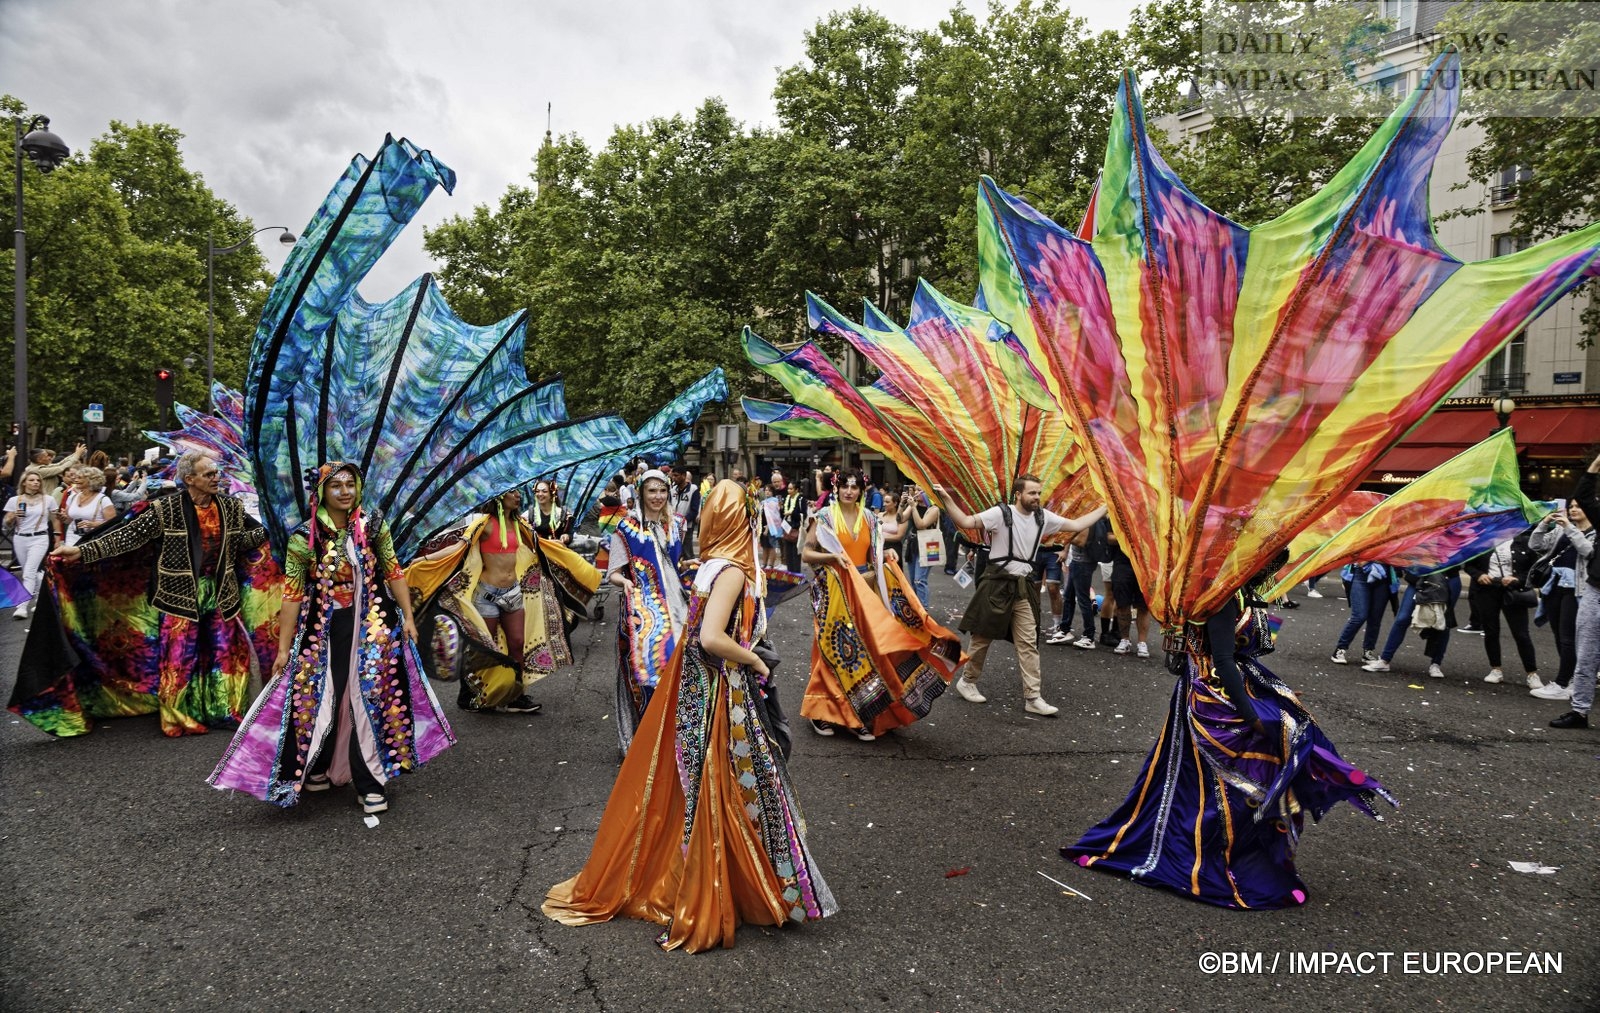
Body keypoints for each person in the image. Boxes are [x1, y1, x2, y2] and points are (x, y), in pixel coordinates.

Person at [543, 479, 836, 951]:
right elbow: (711, 637)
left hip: (697, 687)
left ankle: (731, 879)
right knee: (732, 784)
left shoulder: (709, 566)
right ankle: (737, 885)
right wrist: (755, 660)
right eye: (748, 517)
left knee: (707, 787)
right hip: (721, 688)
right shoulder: (731, 571)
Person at [1064, 549, 1395, 908]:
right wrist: (1252, 715)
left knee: (1271, 748)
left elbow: (1244, 656)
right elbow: (1221, 660)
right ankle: (1206, 851)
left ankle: (1231, 848)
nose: (1271, 573)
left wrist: (1269, 693)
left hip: (1236, 685)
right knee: (1217, 776)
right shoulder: (1221, 597)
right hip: (1211, 693)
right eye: (1269, 565)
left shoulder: (1244, 594)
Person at [209, 462, 455, 812]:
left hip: (376, 628)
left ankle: (370, 781)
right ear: (322, 492)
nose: (344, 491)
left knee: (370, 698)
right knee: (322, 695)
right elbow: (292, 595)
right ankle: (317, 766)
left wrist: (410, 618)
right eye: (336, 485)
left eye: (350, 484)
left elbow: (394, 571)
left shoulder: (373, 526)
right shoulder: (304, 537)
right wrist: (283, 649)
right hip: (324, 631)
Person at [16, 452, 277, 737]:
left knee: (225, 653)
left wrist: (275, 531)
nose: (216, 478)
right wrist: (81, 551)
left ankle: (224, 710)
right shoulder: (165, 508)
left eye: (216, 473)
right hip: (178, 595)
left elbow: (242, 542)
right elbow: (126, 536)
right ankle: (178, 716)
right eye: (209, 474)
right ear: (190, 479)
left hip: (221, 592)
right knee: (179, 657)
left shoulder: (230, 506)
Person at [801, 469, 964, 739]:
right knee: (834, 650)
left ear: (861, 491)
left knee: (866, 652)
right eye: (844, 486)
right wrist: (832, 557)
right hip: (836, 592)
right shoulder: (824, 517)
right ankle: (821, 712)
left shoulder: (868, 517)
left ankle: (857, 714)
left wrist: (885, 551)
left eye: (854, 487)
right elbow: (807, 553)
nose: (849, 491)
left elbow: (875, 550)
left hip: (867, 590)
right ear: (836, 488)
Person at [409, 488, 599, 715]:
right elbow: (457, 549)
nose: (518, 496)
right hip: (486, 595)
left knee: (517, 643)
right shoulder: (483, 524)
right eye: (512, 492)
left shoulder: (520, 524)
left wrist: (564, 553)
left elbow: (540, 545)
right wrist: (423, 560)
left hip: (513, 592)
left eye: (518, 492)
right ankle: (471, 693)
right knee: (484, 648)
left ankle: (515, 696)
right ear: (499, 496)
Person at [935, 476, 1106, 716]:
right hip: (997, 583)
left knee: (1028, 641)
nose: (1037, 497)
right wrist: (946, 498)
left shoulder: (1043, 517)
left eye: (1038, 493)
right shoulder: (1000, 513)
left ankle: (1033, 697)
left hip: (1023, 586)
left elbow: (1077, 525)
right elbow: (965, 521)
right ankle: (967, 681)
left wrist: (1106, 507)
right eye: (1032, 493)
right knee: (982, 637)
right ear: (1018, 494)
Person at [606, 468, 689, 753]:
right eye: (652, 490)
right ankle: (644, 738)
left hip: (677, 607)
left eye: (662, 490)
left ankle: (673, 735)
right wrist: (625, 582)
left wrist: (688, 567)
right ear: (641, 493)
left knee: (679, 666)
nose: (657, 496)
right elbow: (613, 572)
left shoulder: (677, 525)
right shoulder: (626, 528)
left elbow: (675, 565)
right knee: (644, 674)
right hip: (642, 611)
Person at [1550, 451, 1600, 729]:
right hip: (1595, 591)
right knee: (1586, 654)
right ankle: (1579, 711)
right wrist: (1595, 466)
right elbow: (1584, 495)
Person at [1529, 499, 1594, 702]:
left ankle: (1563, 683)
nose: (1573, 510)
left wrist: (1569, 528)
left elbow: (1588, 552)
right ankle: (1573, 678)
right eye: (1571, 506)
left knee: (1570, 637)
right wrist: (1544, 524)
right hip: (1554, 584)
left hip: (1578, 589)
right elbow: (1535, 545)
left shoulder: (1594, 533)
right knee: (1559, 633)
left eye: (1578, 506)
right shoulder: (1560, 530)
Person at [1463, 531, 1542, 689]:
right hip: (1487, 590)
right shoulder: (1483, 540)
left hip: (1513, 590)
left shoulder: (1524, 542)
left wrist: (1518, 579)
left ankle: (1532, 673)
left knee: (1521, 633)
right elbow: (1468, 565)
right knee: (1491, 631)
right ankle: (1496, 669)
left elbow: (1534, 567)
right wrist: (1479, 575)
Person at [5, 472, 56, 619]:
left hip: (40, 538)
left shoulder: (48, 499)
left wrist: (58, 537)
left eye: (38, 480)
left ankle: (22, 607)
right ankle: (41, 600)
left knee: (29, 572)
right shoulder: (15, 500)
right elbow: (6, 524)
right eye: (31, 480)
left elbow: (56, 519)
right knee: (34, 572)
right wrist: (12, 517)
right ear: (24, 483)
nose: (36, 482)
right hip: (20, 538)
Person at [1329, 560, 1392, 666]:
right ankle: (1340, 649)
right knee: (1359, 616)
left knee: (1375, 618)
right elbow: (1356, 554)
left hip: (1384, 575)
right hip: (1361, 573)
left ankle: (1368, 651)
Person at [1106, 529, 1152, 658]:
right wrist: (1130, 536)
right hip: (1123, 564)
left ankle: (1142, 643)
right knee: (1122, 604)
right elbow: (1109, 538)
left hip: (1146, 565)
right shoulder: (1120, 517)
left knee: (1143, 606)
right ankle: (1124, 640)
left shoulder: (1151, 517)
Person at [58, 466, 117, 547]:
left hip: (93, 538)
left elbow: (113, 524)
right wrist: (63, 517)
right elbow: (68, 520)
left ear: (91, 481)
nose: (75, 480)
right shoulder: (72, 497)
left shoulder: (103, 500)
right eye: (76, 477)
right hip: (72, 536)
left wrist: (94, 524)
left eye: (79, 478)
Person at [22, 443, 86, 500]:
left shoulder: (41, 466)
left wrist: (76, 453)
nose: (49, 458)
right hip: (42, 500)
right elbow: (61, 468)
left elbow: (60, 464)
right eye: (47, 456)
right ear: (39, 459)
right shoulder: (35, 470)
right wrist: (76, 455)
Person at [668, 462, 701, 555]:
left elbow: (694, 510)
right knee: (675, 551)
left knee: (687, 551)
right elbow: (669, 505)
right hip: (673, 525)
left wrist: (682, 521)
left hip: (687, 526)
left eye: (676, 475)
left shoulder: (693, 489)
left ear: (684, 476)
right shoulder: (673, 490)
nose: (673, 478)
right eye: (673, 476)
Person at [527, 479, 572, 544]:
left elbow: (570, 533)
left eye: (544, 491)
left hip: (555, 548)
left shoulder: (563, 515)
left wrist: (567, 537)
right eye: (537, 491)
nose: (540, 494)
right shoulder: (529, 514)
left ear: (552, 494)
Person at [780, 477, 807, 573]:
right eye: (788, 488)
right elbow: (783, 513)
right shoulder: (787, 498)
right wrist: (781, 509)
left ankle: (796, 574)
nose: (789, 491)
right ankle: (790, 573)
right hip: (787, 528)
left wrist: (792, 513)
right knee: (788, 553)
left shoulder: (801, 499)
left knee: (796, 553)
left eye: (791, 489)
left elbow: (803, 514)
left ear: (797, 490)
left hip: (796, 528)